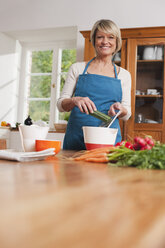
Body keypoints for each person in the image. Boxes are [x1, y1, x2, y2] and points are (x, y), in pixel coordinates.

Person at [57, 19, 131, 150]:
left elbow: (127, 114)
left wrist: (121, 108)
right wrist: (75, 100)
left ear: (116, 42)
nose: (105, 41)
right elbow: (61, 105)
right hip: (77, 138)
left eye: (110, 37)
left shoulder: (123, 74)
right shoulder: (77, 68)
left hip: (107, 140)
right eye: (100, 37)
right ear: (94, 40)